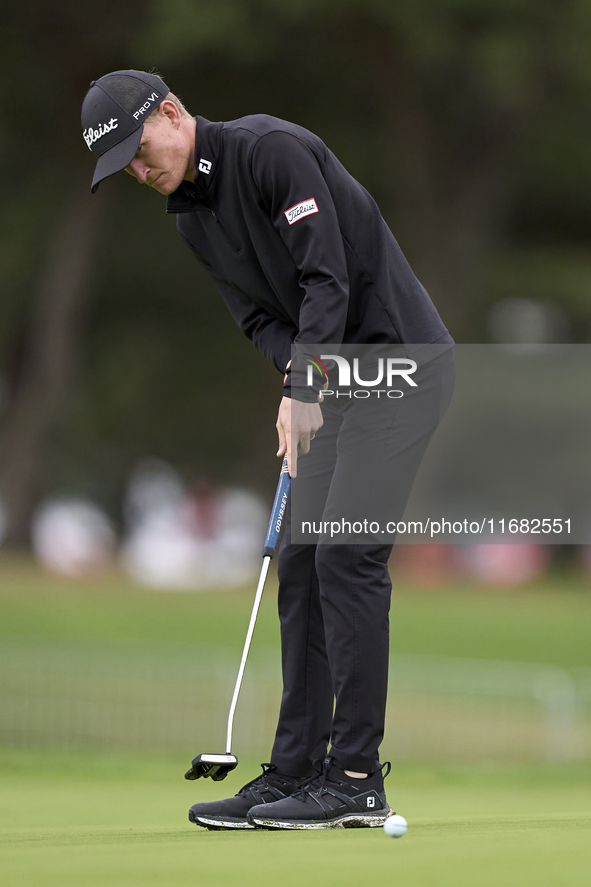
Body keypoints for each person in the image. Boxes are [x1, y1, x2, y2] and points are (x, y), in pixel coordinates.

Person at [81, 70, 454, 830]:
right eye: (124, 165)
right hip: (331, 383)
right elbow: (258, 319)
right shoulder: (191, 219)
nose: (138, 170)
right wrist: (300, 381)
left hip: (400, 368)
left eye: (139, 149)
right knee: (302, 560)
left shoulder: (268, 150)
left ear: (173, 114)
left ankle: (353, 776)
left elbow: (328, 279)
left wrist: (304, 383)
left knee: (346, 556)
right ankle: (294, 769)